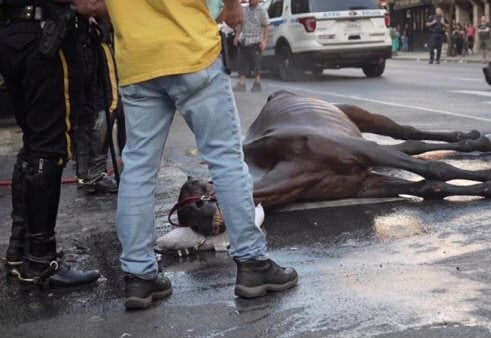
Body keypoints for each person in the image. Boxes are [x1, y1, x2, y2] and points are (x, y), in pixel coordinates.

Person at [72, 0, 298, 310]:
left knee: (138, 169)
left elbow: (89, 4)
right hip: (190, 50)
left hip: (137, 58)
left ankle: (139, 276)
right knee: (226, 160)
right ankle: (252, 264)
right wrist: (232, 5)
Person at [0, 0, 100, 287]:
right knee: (49, 146)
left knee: (34, 141)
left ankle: (20, 249)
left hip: (12, 32)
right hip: (46, 35)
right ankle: (41, 259)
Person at [73, 17, 119, 193]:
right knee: (108, 102)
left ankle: (85, 173)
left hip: (76, 35)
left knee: (84, 106)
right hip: (91, 32)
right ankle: (95, 172)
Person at [232, 0, 269, 92]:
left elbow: (266, 26)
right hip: (245, 41)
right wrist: (237, 36)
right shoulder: (244, 10)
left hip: (256, 41)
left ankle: (257, 83)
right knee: (242, 63)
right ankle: (241, 83)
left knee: (256, 63)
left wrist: (264, 41)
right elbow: (240, 24)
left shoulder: (262, 11)